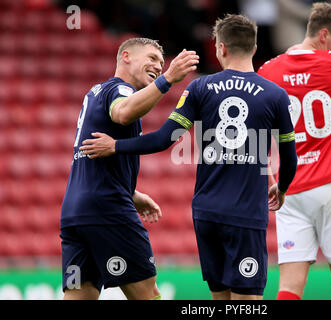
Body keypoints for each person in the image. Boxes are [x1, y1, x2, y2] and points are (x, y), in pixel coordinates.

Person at [80, 14, 298, 300]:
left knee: (219, 298)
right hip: (246, 214)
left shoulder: (200, 87)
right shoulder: (275, 95)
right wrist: (281, 188)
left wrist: (116, 146)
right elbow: (290, 158)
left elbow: (162, 139)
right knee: (247, 301)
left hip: (207, 213)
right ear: (255, 49)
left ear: (220, 48)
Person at [60, 37, 199, 300]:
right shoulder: (121, 90)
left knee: (81, 295)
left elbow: (91, 158)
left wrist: (131, 193)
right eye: (151, 58)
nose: (158, 66)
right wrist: (168, 79)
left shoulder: (95, 92)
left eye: (161, 62)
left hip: (76, 212)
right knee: (147, 293)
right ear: (126, 57)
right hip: (107, 209)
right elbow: (123, 113)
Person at [257, 2, 331, 300]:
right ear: (324, 35)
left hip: (290, 190)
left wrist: (267, 174)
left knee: (289, 287)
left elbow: (256, 131)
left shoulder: (269, 70)